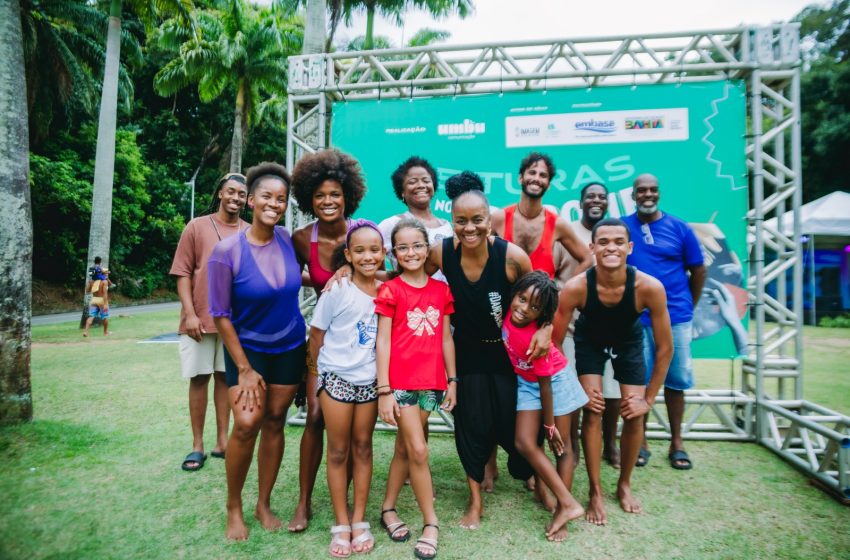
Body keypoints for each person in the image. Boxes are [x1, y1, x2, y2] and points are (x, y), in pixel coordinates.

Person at [425, 171, 547, 531]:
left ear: (489, 218)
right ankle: (475, 501)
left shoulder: (512, 256)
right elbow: (410, 276)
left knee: (516, 424)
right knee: (470, 427)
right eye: (460, 221)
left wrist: (547, 327)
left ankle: (532, 476)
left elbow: (542, 296)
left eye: (477, 219)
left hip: (509, 356)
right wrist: (352, 273)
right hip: (467, 353)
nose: (470, 228)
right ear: (452, 222)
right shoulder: (442, 253)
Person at [207, 162, 306, 541]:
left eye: (281, 199)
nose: (274, 204)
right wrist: (245, 369)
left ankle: (263, 503)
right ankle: (234, 506)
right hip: (247, 353)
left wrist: (343, 274)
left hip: (290, 347)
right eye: (267, 196)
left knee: (276, 421)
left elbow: (302, 276)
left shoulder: (286, 240)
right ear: (250, 200)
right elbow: (220, 316)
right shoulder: (226, 251)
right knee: (247, 425)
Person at [553, 217, 672, 524]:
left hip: (628, 342)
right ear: (592, 248)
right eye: (603, 242)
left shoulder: (649, 287)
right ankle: (594, 491)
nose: (611, 248)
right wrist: (574, 391)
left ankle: (624, 484)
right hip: (589, 340)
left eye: (618, 242)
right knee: (593, 410)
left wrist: (648, 398)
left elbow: (665, 349)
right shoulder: (576, 288)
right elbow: (554, 346)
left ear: (630, 247)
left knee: (634, 412)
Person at [488, 152, 592, 492]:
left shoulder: (557, 222)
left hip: (541, 326)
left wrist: (557, 302)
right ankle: (492, 466)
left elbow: (587, 258)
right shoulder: (498, 219)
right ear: (520, 177)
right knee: (498, 396)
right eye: (531, 172)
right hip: (502, 324)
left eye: (543, 174)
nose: (536, 178)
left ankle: (541, 473)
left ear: (549, 182)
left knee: (542, 391)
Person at [289, 149, 367, 533]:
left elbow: (381, 273)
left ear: (347, 194)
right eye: (319, 195)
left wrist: (349, 268)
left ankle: (348, 500)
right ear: (309, 199)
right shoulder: (302, 239)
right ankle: (304, 501)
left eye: (335, 194)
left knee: (352, 429)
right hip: (322, 342)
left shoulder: (364, 230)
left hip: (361, 344)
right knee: (315, 417)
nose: (328, 201)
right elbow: (288, 279)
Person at [375, 218, 457, 560]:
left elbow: (446, 337)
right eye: (403, 247)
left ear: (428, 248)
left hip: (433, 383)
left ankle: (388, 509)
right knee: (420, 450)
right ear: (394, 253)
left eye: (417, 245)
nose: (411, 252)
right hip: (401, 384)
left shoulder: (442, 291)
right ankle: (431, 523)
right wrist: (384, 390)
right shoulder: (391, 290)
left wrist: (452, 380)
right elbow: (382, 340)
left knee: (405, 450)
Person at [622, 174, 707, 470]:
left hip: (676, 318)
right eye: (641, 190)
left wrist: (687, 305)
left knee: (676, 381)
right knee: (639, 381)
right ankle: (641, 441)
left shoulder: (679, 228)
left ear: (659, 193)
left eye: (653, 190)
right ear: (633, 195)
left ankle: (677, 442)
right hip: (635, 319)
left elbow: (698, 270)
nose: (648, 194)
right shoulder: (622, 227)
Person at [313, 219, 385, 557]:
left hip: (370, 383)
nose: (368, 256)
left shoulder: (388, 290)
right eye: (359, 251)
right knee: (338, 451)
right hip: (337, 381)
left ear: (384, 252)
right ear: (348, 255)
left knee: (364, 448)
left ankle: (360, 520)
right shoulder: (336, 289)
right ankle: (341, 524)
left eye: (374, 249)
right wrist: (317, 379)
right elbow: (317, 336)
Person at [170, 172, 248, 472]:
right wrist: (189, 313)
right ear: (219, 193)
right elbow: (182, 272)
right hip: (200, 319)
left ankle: (222, 442)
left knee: (226, 380)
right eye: (231, 191)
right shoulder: (197, 226)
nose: (235, 198)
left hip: (234, 323)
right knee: (199, 378)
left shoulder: (249, 231)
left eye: (241, 194)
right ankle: (197, 446)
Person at [502, 271, 587, 542]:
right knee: (524, 442)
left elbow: (546, 384)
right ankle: (567, 501)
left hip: (555, 384)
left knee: (561, 448)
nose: (523, 308)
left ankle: (564, 510)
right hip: (527, 383)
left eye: (534, 307)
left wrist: (549, 425)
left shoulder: (534, 340)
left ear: (543, 313)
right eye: (522, 299)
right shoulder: (509, 309)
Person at [559, 182, 623, 468]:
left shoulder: (615, 233)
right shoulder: (568, 233)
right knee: (574, 395)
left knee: (611, 392)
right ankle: (572, 445)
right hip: (573, 329)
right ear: (580, 202)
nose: (596, 200)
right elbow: (558, 275)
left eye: (601, 196)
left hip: (611, 331)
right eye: (590, 196)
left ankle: (610, 443)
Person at [378, 156, 453, 281]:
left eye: (426, 180)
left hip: (446, 298)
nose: (421, 185)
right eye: (413, 182)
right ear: (402, 192)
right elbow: (369, 257)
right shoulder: (392, 224)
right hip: (409, 299)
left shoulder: (446, 225)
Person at [82, 269, 110, 337]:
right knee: (105, 317)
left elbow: (87, 291)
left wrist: (89, 283)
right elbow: (105, 294)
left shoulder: (91, 281)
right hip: (102, 300)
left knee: (91, 316)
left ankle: (86, 332)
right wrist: (105, 304)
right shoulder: (104, 282)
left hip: (94, 300)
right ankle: (105, 332)